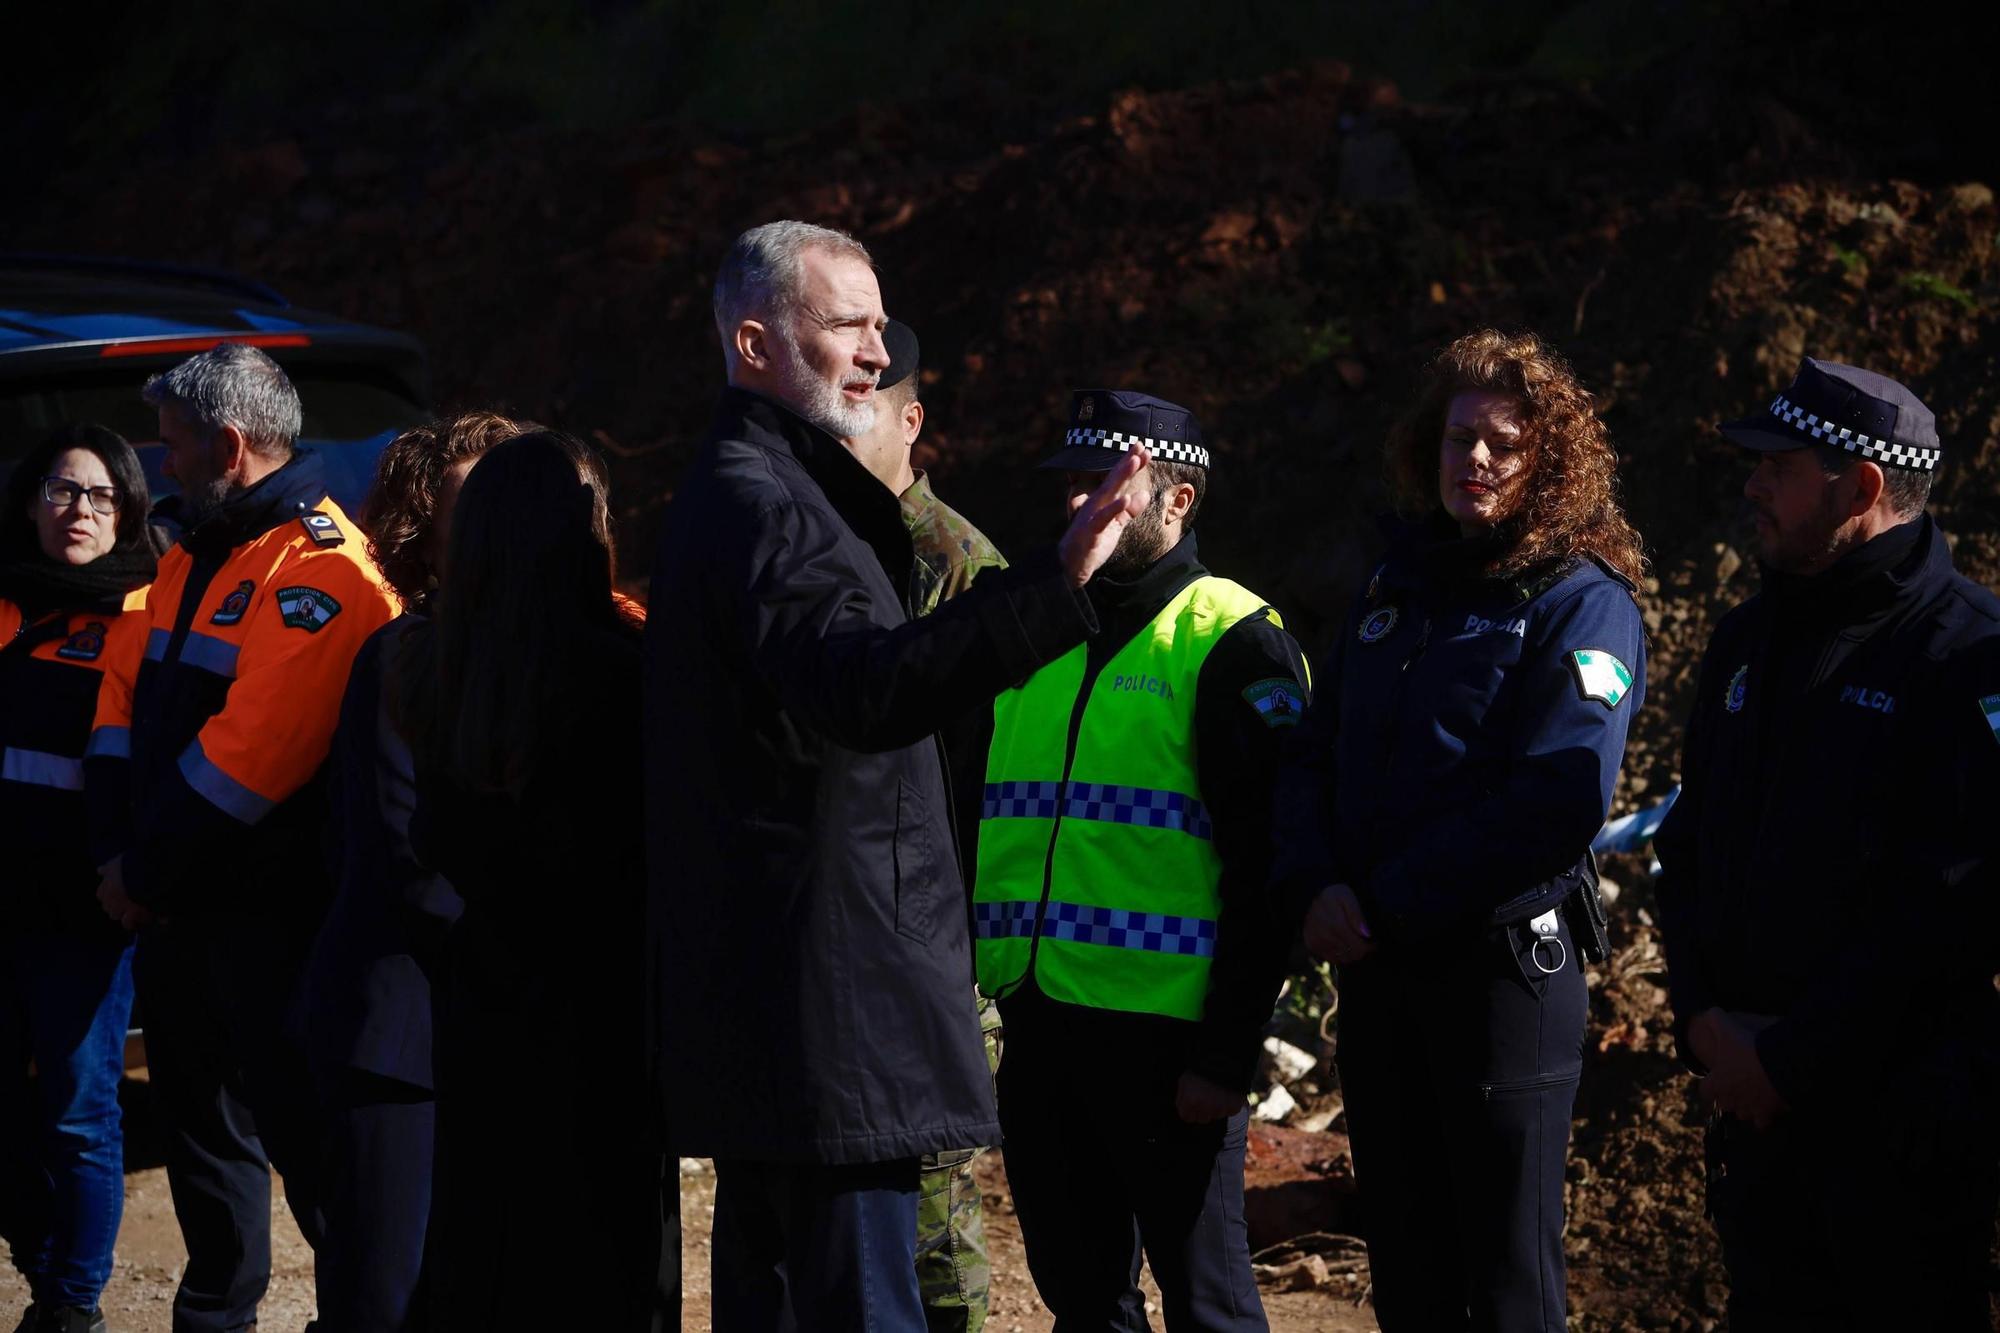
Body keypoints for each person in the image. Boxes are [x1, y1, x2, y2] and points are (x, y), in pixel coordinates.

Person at [645, 220, 1151, 1332]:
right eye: (846, 325)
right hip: (831, 1024)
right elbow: (863, 689)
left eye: (881, 325)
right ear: (753, 341)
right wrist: (1052, 589)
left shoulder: (767, 491)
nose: (876, 351)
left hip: (796, 1022)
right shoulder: (772, 505)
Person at [1273, 330, 1647, 1331]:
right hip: (1378, 974)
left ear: (1548, 463)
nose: (1472, 459)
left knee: (1505, 1275)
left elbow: (1552, 804)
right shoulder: (1393, 592)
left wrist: (1380, 905)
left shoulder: (1580, 606)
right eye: (1455, 438)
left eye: (1499, 442)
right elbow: (1313, 752)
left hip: (1496, 985)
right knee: (1406, 1259)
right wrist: (1317, 885)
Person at [1654, 358, 2000, 1331]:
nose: (1751, 484)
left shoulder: (1964, 654)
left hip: (1898, 1137)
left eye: (1780, 465)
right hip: (1752, 1126)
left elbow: (1950, 908)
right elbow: (1687, 849)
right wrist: (1701, 1023)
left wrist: (1792, 1059)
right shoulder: (1741, 641)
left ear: (1861, 487)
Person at [974, 389, 1307, 1330]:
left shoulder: (1232, 640)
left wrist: (1225, 1054)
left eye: (1108, 485)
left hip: (1169, 1051)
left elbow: (1267, 870)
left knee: (1208, 1306)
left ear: (1179, 500)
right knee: (1082, 1301)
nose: (1081, 506)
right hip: (1039, 1025)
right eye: (1074, 485)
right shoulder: (1037, 626)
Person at [91, 343, 397, 1333]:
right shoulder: (198, 549)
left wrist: (139, 868)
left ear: (228, 443)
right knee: (202, 1142)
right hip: (187, 913)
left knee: (314, 1152)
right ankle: (215, 1316)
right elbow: (131, 710)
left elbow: (250, 758)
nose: (161, 464)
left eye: (174, 444)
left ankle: (365, 1316)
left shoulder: (320, 565)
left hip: (278, 924)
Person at [393, 431, 667, 1330]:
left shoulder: (431, 668)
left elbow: (430, 838)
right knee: (600, 1270)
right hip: (604, 1030)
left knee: (484, 1253)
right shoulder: (624, 676)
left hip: (481, 1013)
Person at [296, 411, 532, 1331]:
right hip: (403, 1038)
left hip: (494, 1029)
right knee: (386, 1300)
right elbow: (408, 852)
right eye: (473, 505)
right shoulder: (397, 657)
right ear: (420, 536)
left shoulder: (558, 656)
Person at [841, 320, 1004, 1332]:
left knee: (933, 1208)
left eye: (865, 414)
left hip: (933, 931)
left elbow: (976, 770)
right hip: (858, 922)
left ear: (910, 420)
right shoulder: (826, 538)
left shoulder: (951, 561)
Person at [0, 425, 159, 1333]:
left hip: (80, 914)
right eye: (63, 490)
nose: (81, 510)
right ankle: (37, 1254)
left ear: (129, 510)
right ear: (30, 500)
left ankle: (70, 1305)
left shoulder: (144, 614)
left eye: (101, 496)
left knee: (76, 1110)